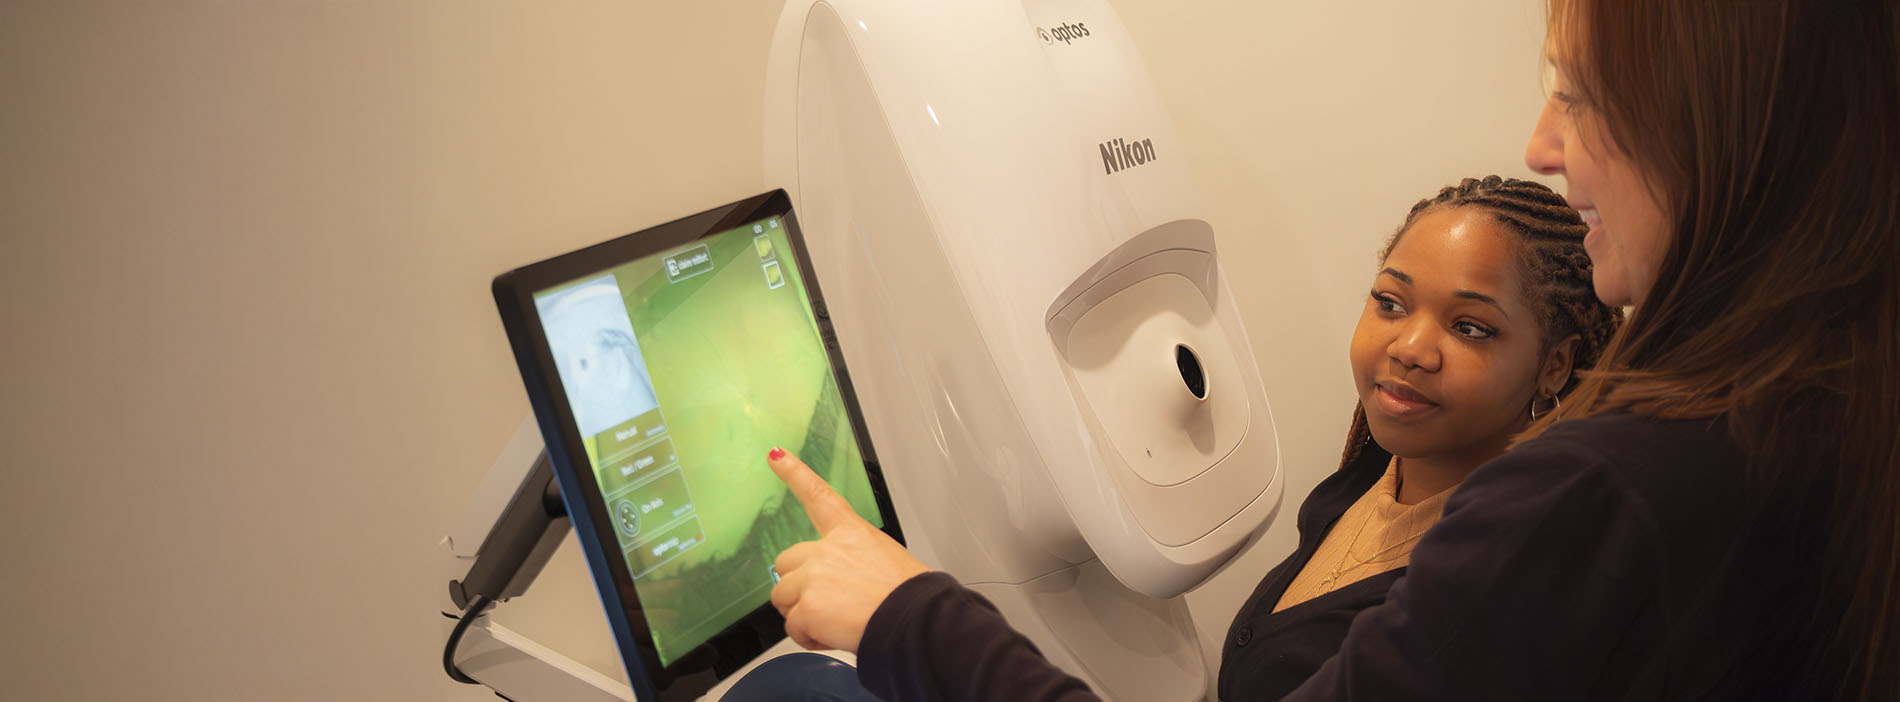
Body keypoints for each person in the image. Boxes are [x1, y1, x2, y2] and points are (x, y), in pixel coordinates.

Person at [766, 0, 1900, 699]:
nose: (1543, 143)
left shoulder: (1608, 493)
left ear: (1715, 130)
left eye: (1584, 97)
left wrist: (910, 614)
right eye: (1390, 299)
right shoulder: (1809, 405)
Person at [759, 173, 1622, 702]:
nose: (1409, 346)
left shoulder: (1492, 581)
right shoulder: (1375, 472)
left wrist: (911, 614)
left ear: (1556, 365)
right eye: (1390, 301)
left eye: (1470, 329)